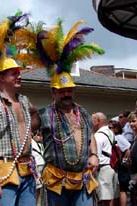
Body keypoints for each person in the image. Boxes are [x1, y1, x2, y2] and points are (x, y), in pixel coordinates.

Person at [0, 57, 37, 206]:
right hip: (4, 171)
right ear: (1, 77)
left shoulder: (24, 101)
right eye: (14, 73)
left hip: (27, 170)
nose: (19, 76)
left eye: (19, 73)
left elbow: (35, 120)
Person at [37, 71, 99, 206]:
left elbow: (91, 135)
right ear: (53, 93)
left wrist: (94, 154)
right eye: (62, 91)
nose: (66, 94)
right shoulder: (44, 114)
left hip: (82, 179)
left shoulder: (83, 113)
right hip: (56, 181)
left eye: (69, 90)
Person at [92, 112, 119, 206]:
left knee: (104, 199)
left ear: (98, 121)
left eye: (93, 120)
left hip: (103, 170)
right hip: (112, 167)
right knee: (110, 197)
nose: (91, 122)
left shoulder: (98, 135)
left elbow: (96, 155)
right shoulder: (110, 132)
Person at [108, 120, 131, 206]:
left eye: (110, 128)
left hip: (121, 168)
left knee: (122, 190)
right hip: (116, 168)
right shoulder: (112, 137)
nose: (108, 130)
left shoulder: (119, 137)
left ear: (116, 129)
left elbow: (128, 149)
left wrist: (123, 160)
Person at [31, 130, 45, 206]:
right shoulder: (33, 142)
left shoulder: (37, 143)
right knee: (38, 188)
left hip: (39, 165)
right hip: (37, 165)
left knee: (38, 188)